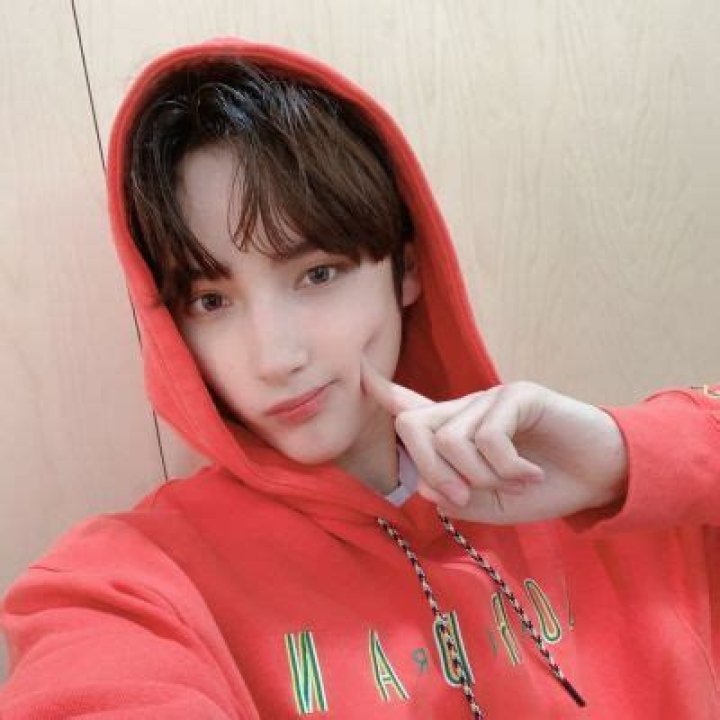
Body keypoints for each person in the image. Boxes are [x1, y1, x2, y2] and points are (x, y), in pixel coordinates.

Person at [1, 35, 719, 719]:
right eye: (211, 301)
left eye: (317, 274)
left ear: (406, 269)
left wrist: (627, 459)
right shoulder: (134, 581)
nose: (274, 357)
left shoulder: (622, 501)